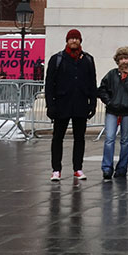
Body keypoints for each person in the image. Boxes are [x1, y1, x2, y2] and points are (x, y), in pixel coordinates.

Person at [46, 29, 98, 182]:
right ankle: (56, 169)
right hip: (62, 104)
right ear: (67, 41)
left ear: (80, 41)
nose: (74, 41)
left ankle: (78, 168)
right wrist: (50, 105)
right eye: (71, 38)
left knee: (79, 138)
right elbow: (49, 84)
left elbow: (92, 83)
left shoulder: (88, 59)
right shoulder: (57, 59)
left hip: (80, 104)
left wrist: (93, 103)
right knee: (58, 138)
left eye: (76, 38)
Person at [98, 46, 128, 179]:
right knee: (109, 139)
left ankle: (122, 168)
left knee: (125, 140)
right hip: (112, 111)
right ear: (117, 60)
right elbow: (102, 89)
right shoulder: (111, 74)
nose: (124, 61)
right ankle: (107, 167)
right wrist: (109, 102)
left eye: (127, 58)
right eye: (122, 59)